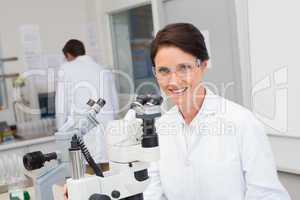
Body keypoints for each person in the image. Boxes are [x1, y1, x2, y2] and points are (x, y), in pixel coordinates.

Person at [143, 23, 291, 199]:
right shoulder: (160, 127)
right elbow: (154, 190)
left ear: (203, 65)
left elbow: (267, 195)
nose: (173, 81)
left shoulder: (242, 123)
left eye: (184, 68)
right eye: (163, 71)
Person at [55, 39, 118, 163]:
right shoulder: (102, 69)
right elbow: (114, 102)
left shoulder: (66, 69)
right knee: (106, 171)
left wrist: (61, 133)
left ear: (68, 55)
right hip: (107, 132)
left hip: (82, 131)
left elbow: (61, 105)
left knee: (86, 174)